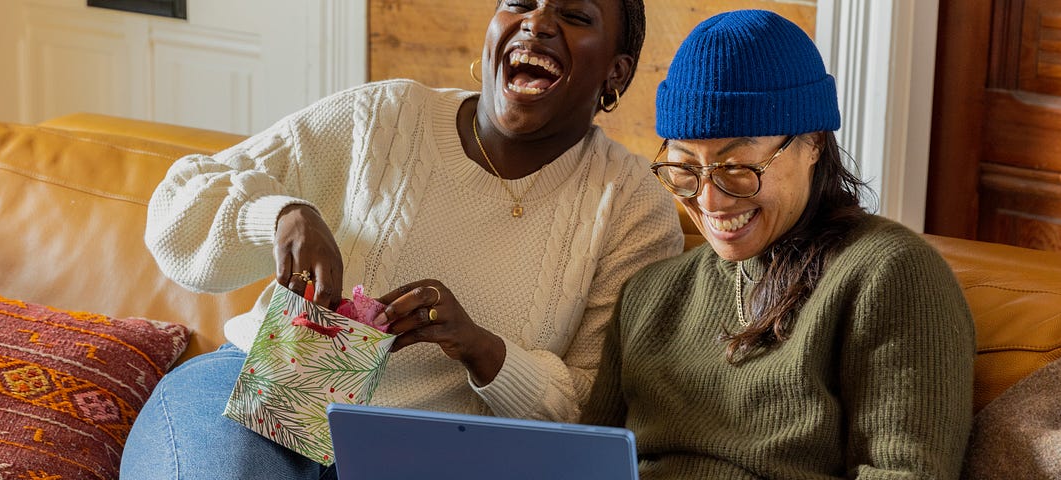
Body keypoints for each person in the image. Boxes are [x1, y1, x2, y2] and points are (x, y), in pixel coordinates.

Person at [121, 0, 682, 478]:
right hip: (259, 394)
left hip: (431, 456)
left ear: (616, 71)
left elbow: (596, 414)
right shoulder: (385, 118)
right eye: (517, 1)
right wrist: (279, 214)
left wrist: (481, 349)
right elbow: (176, 207)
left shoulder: (633, 208)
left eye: (574, 14)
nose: (536, 21)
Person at [579, 9, 976, 479]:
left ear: (812, 144)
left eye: (737, 167)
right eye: (686, 168)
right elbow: (585, 465)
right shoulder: (647, 295)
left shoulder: (889, 275)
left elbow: (906, 472)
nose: (709, 199)